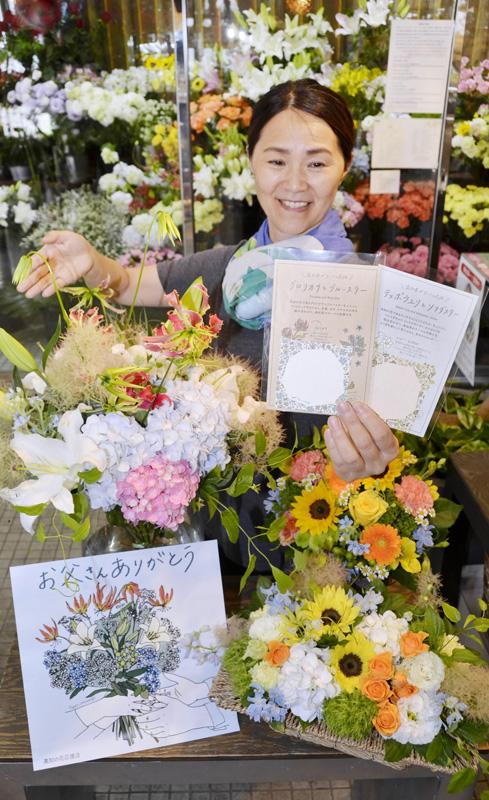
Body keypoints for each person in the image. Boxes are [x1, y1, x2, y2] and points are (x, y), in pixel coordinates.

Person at [17, 79, 399, 565]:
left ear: (345, 166)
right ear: (251, 160)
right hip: (214, 540)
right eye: (277, 160)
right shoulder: (229, 270)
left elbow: (392, 442)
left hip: (313, 544)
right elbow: (131, 283)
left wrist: (369, 462)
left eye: (318, 162)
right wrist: (93, 264)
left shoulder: (369, 292)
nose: (296, 183)